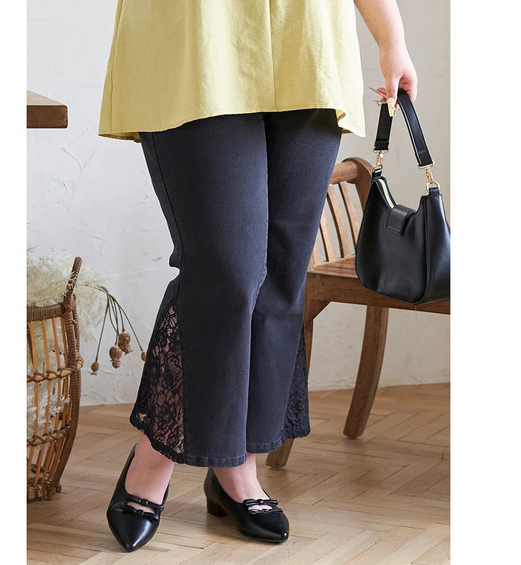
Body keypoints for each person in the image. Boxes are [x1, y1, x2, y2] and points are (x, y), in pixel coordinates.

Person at [98, 0, 417, 552]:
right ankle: (156, 454)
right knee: (225, 272)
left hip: (307, 43)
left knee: (281, 276)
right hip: (196, 38)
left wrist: (392, 39)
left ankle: (236, 470)